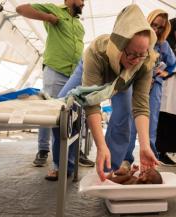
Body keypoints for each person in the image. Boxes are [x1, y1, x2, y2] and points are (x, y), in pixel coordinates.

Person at [47, 4, 160, 181]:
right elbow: (91, 102)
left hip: (123, 79)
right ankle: (63, 164)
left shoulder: (144, 62)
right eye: (131, 54)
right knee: (62, 110)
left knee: (123, 117)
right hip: (91, 72)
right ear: (119, 47)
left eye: (141, 54)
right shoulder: (97, 51)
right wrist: (100, 145)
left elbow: (141, 106)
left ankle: (109, 170)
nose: (136, 60)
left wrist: (145, 146)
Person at [16, 0, 86, 167]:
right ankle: (43, 149)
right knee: (48, 112)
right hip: (55, 69)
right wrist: (48, 17)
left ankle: (74, 151)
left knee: (73, 114)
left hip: (74, 75)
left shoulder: (79, 24)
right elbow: (21, 9)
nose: (83, 3)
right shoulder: (54, 10)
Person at [123, 9, 176, 167]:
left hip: (154, 89)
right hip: (135, 86)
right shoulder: (138, 38)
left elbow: (173, 64)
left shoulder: (164, 45)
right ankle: (126, 159)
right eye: (154, 24)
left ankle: (149, 161)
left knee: (151, 125)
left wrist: (164, 73)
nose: (156, 29)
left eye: (160, 27)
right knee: (131, 124)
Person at [155, 18, 176, 166]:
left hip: (174, 87)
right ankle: (161, 153)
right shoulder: (163, 44)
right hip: (164, 88)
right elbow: (161, 68)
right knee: (165, 121)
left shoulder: (172, 46)